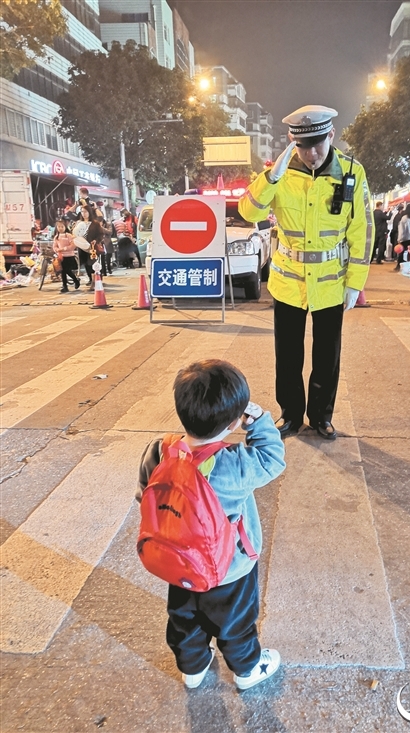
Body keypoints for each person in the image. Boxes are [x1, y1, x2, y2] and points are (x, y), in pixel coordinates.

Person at [137, 359, 286, 690]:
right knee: (235, 624)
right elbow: (273, 459)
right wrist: (259, 422)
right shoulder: (234, 465)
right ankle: (248, 670)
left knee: (184, 619)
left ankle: (193, 668)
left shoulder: (159, 451)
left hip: (178, 563)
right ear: (235, 423)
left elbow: (144, 496)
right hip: (229, 570)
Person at [238, 105, 373, 440]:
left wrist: (354, 284)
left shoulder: (351, 173)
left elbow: (362, 229)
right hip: (288, 283)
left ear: (331, 135)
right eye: (303, 146)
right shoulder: (278, 174)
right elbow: (247, 210)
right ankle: (291, 415)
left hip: (330, 283)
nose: (311, 154)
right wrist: (271, 176)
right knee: (288, 356)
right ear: (291, 142)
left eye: (318, 144)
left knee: (327, 357)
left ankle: (321, 416)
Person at [73, 205, 103, 287]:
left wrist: (96, 240)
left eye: (85, 212)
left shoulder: (95, 223)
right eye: (82, 212)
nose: (84, 214)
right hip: (82, 247)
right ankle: (91, 279)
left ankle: (96, 279)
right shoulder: (79, 223)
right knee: (85, 263)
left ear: (89, 212)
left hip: (92, 247)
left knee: (92, 263)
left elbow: (100, 234)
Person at [52, 219, 80, 293]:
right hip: (61, 257)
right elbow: (54, 247)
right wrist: (57, 250)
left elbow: (73, 245)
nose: (60, 228)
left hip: (69, 256)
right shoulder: (56, 237)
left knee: (67, 270)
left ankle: (75, 280)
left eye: (62, 226)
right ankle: (65, 286)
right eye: (58, 226)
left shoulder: (69, 235)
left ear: (65, 227)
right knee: (63, 272)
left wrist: (64, 249)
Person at [395, 204, 410, 271]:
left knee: (401, 252)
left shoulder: (404, 218)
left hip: (405, 238)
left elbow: (401, 230)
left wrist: (399, 239)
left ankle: (399, 266)